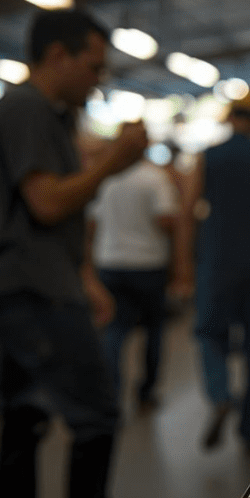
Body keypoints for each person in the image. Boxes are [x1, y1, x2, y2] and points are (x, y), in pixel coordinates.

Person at [0, 9, 153, 498]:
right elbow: (48, 203)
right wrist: (112, 163)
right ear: (58, 56)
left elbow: (55, 218)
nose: (97, 80)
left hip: (29, 285)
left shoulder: (44, 115)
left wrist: (88, 278)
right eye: (92, 66)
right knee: (96, 410)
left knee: (23, 420)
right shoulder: (27, 109)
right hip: (32, 290)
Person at [178, 88, 250, 451]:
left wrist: (182, 265)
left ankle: (221, 393)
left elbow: (187, 212)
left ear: (230, 118)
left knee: (210, 333)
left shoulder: (208, 158)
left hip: (217, 262)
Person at [84, 138, 186, 414]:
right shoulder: (154, 178)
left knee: (115, 331)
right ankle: (146, 392)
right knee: (153, 331)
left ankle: (113, 395)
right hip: (148, 264)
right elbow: (166, 220)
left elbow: (92, 223)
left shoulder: (105, 179)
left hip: (111, 263)